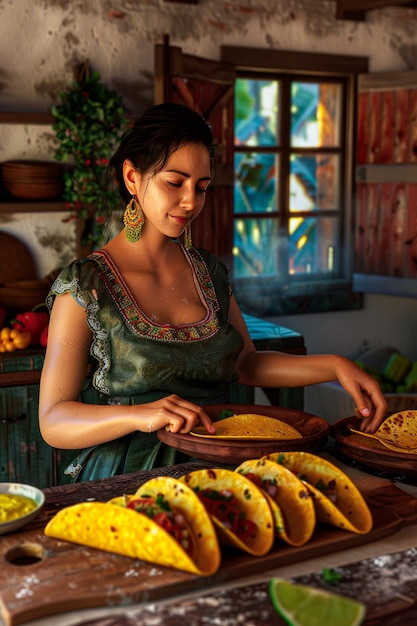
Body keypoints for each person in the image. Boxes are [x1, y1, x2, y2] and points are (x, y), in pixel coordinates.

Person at [39, 102, 388, 483]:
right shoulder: (87, 285)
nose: (191, 201)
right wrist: (141, 414)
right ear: (132, 178)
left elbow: (245, 364)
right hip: (130, 479)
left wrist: (334, 365)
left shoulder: (208, 271)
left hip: (223, 466)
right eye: (175, 183)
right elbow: (54, 419)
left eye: (201, 188)